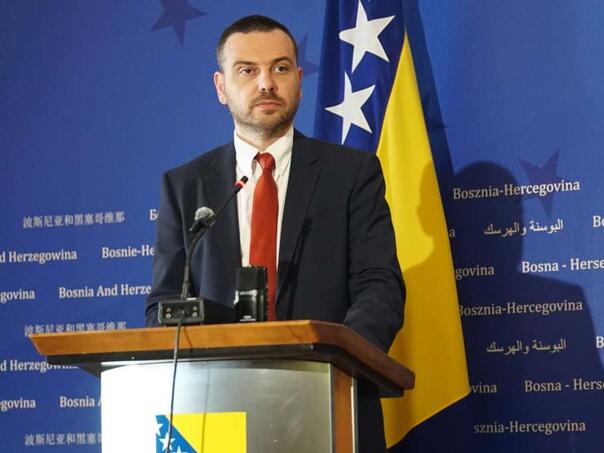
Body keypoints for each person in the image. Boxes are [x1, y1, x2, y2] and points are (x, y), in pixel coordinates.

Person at [146, 15, 405, 453]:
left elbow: (379, 287)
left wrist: (334, 362)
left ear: (299, 80)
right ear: (221, 87)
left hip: (331, 403)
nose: (266, 83)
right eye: (247, 70)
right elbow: (162, 306)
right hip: (216, 411)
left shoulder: (351, 174)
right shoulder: (185, 186)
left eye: (280, 68)